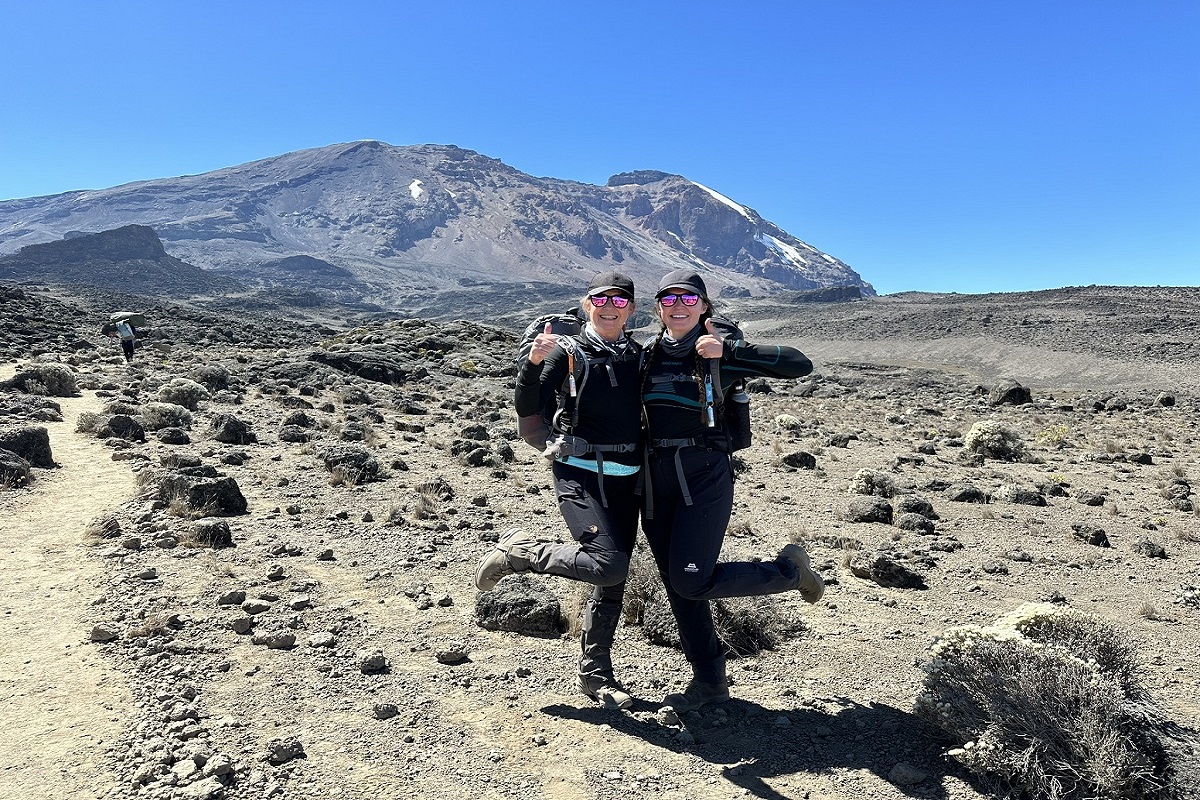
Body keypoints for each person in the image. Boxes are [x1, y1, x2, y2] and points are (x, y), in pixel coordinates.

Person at [640, 269, 825, 712]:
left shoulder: (717, 352)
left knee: (692, 579)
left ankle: (790, 572)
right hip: (654, 480)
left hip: (704, 475)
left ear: (704, 307)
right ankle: (710, 682)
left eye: (689, 299)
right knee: (677, 585)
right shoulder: (646, 354)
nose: (679, 306)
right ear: (658, 308)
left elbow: (800, 365)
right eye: (670, 299)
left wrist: (732, 350)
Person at [475, 271, 644, 709]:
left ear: (631, 308)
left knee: (614, 578)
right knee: (608, 566)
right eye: (600, 299)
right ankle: (521, 553)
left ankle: (595, 675)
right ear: (588, 305)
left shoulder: (638, 356)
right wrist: (533, 365)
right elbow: (528, 405)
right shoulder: (567, 352)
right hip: (579, 472)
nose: (609, 307)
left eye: (619, 300)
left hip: (629, 478)